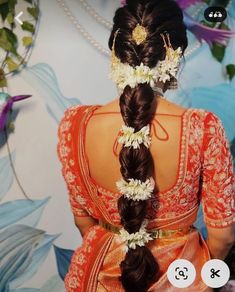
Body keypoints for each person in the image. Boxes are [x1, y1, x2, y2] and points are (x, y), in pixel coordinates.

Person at [57, 0, 235, 291]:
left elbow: (84, 223)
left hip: (101, 274)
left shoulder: (75, 125)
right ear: (175, 57)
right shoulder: (202, 128)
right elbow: (223, 236)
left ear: (116, 51)